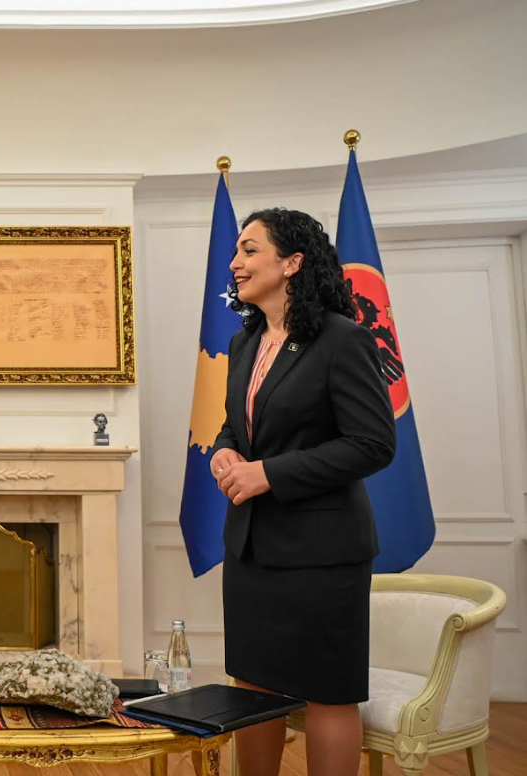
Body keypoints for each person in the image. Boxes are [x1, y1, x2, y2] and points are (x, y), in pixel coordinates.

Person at [212, 208, 395, 776]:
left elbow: (372, 444)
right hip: (251, 549)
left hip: (323, 554)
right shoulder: (244, 342)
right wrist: (224, 452)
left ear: (292, 263)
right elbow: (239, 426)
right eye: (237, 251)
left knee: (329, 691)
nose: (235, 263)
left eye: (249, 250)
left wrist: (268, 473)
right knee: (252, 686)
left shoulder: (344, 339)